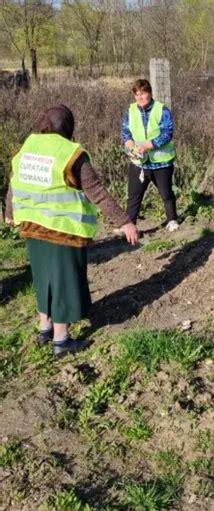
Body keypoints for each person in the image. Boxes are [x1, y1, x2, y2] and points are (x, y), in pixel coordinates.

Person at [4, 104, 139, 358]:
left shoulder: (28, 146)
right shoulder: (72, 154)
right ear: (68, 127)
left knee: (44, 279)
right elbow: (97, 192)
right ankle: (61, 339)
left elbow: (15, 181)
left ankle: (45, 328)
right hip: (63, 231)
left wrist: (9, 212)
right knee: (65, 282)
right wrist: (124, 222)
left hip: (32, 226)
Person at [121, 78, 179, 231]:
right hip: (138, 162)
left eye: (143, 93)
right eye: (137, 94)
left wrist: (148, 145)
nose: (140, 97)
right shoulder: (131, 111)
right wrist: (131, 146)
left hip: (161, 161)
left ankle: (172, 219)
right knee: (134, 195)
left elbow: (167, 133)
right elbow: (126, 132)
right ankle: (130, 225)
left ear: (150, 93)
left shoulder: (162, 110)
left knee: (166, 193)